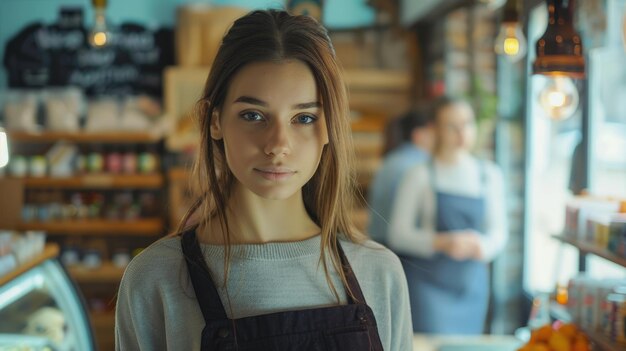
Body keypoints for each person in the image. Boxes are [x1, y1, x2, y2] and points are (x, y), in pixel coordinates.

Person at [115, 9, 412, 351]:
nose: (277, 145)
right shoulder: (155, 278)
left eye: (303, 118)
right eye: (253, 115)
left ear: (330, 126)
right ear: (214, 121)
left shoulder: (379, 273)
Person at [388, 96, 508, 334]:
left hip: (471, 286)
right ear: (435, 129)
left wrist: (480, 245)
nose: (461, 133)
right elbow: (397, 235)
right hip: (427, 287)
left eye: (467, 124)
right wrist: (442, 242)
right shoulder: (419, 175)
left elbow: (499, 233)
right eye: (452, 126)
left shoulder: (489, 175)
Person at [367, 108, 433, 245]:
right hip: (400, 248)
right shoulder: (419, 165)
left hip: (378, 243)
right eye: (433, 131)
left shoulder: (392, 159)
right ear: (419, 135)